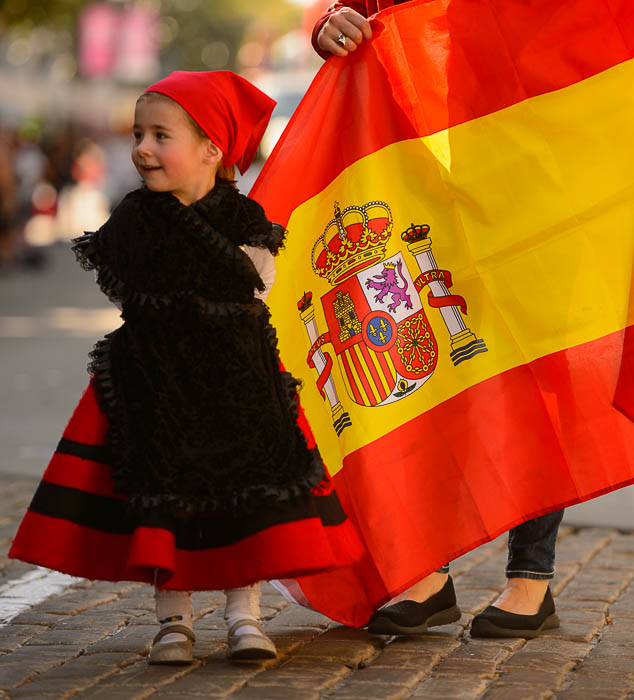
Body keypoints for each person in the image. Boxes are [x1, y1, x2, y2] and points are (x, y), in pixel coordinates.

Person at [9, 70, 362, 665]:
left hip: (236, 380)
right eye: (138, 134)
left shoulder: (243, 217)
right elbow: (125, 287)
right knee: (161, 488)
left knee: (243, 491)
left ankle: (243, 616)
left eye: (160, 136)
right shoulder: (134, 217)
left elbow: (256, 284)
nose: (142, 148)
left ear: (211, 149)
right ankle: (173, 620)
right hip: (154, 378)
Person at [311, 1, 564, 639]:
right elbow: (357, 11)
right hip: (409, 158)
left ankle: (530, 579)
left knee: (528, 359)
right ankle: (426, 571)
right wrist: (331, 25)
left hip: (521, 144)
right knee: (421, 353)